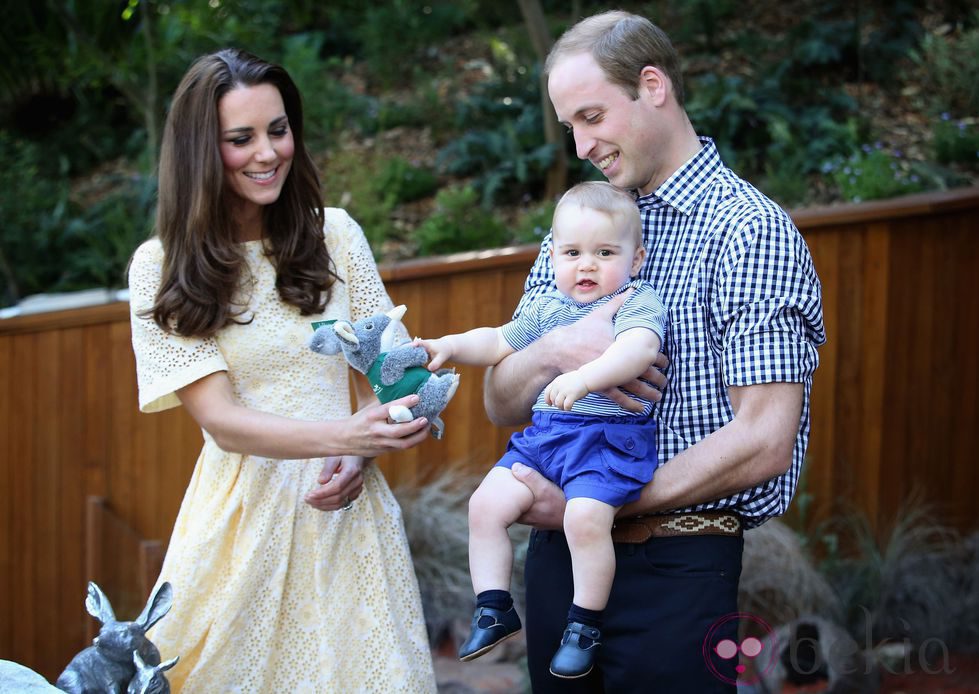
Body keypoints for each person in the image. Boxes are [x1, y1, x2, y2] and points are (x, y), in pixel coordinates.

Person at [482, 11, 826, 693]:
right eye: (568, 126)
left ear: (651, 85)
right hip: (557, 565)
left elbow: (763, 439)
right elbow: (498, 399)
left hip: (679, 567)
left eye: (590, 116)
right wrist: (553, 347)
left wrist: (603, 501)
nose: (580, 145)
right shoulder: (577, 235)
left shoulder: (747, 231)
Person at [127, 49, 437, 692]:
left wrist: (370, 448)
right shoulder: (161, 267)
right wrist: (349, 437)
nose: (267, 153)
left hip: (350, 520)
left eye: (278, 129)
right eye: (241, 138)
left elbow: (396, 377)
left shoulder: (340, 237)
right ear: (199, 152)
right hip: (240, 526)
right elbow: (223, 423)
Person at [416, 181, 666, 679]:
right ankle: (494, 607)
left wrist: (584, 377)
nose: (587, 265)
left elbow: (637, 350)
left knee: (583, 519)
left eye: (604, 252)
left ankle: (584, 622)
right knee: (485, 504)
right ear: (552, 255)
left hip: (606, 441)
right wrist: (448, 345)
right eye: (572, 252)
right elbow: (497, 341)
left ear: (635, 260)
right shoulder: (548, 306)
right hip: (548, 439)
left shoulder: (637, 301)